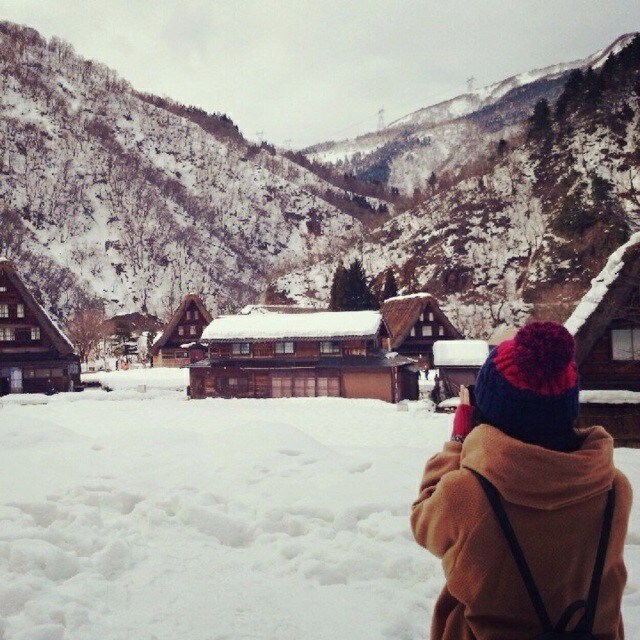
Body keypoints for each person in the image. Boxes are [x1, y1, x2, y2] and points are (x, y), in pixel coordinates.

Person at [410, 322, 632, 639]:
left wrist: (458, 442)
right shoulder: (613, 488)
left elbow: (424, 523)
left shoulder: (468, 492)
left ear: (490, 410)